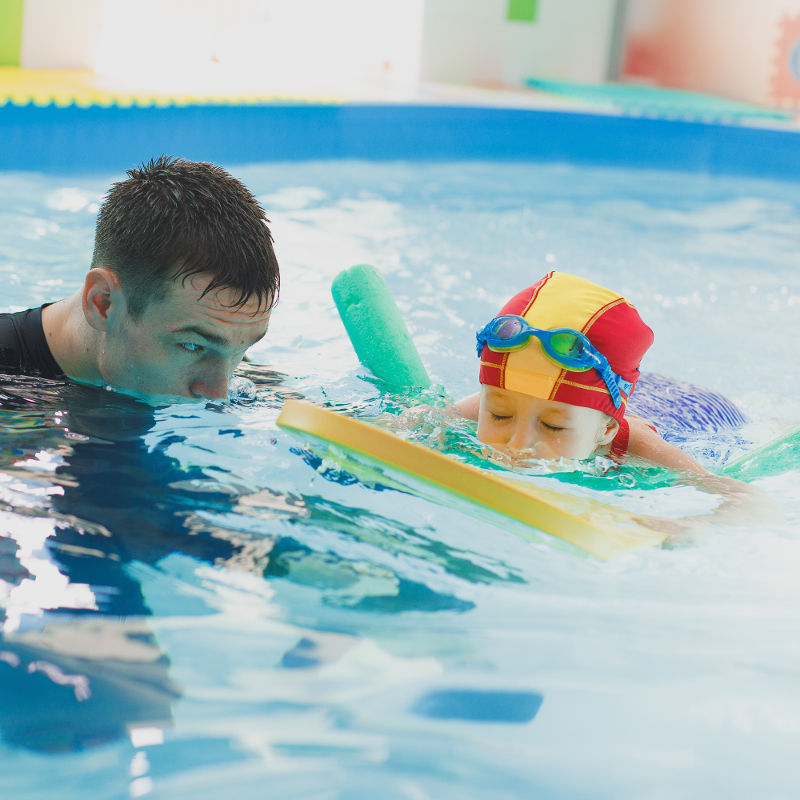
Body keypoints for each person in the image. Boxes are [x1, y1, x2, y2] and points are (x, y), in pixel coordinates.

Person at [0, 155, 279, 403]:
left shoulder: (216, 337)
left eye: (242, 349)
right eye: (192, 347)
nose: (219, 392)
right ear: (103, 303)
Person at [455, 270, 709, 473]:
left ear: (607, 429)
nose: (518, 445)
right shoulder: (497, 400)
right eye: (500, 416)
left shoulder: (639, 446)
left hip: (688, 406)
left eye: (553, 426)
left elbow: (737, 497)